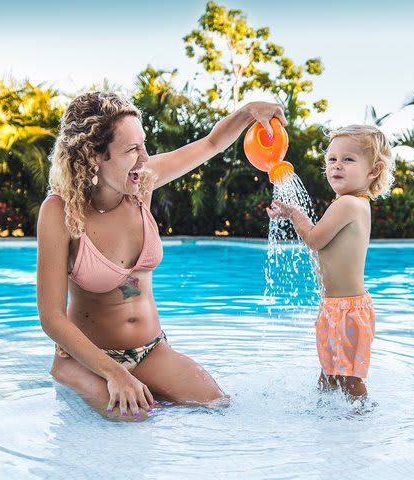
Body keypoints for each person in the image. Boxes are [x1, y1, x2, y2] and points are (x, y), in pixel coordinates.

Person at [36, 91, 286, 418]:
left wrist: (248, 112)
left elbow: (210, 145)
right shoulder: (60, 212)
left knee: (218, 406)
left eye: (143, 145)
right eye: (130, 150)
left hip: (151, 351)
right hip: (87, 361)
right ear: (94, 155)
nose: (144, 158)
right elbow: (51, 317)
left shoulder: (142, 182)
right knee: (131, 417)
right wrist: (115, 374)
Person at [266, 125, 394, 398]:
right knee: (329, 373)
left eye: (348, 159)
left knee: (349, 378)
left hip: (346, 310)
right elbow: (323, 244)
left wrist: (295, 214)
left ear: (374, 171)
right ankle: (326, 425)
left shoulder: (347, 205)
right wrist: (293, 214)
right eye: (332, 159)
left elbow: (313, 239)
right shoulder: (351, 203)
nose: (337, 166)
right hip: (336, 307)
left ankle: (360, 423)